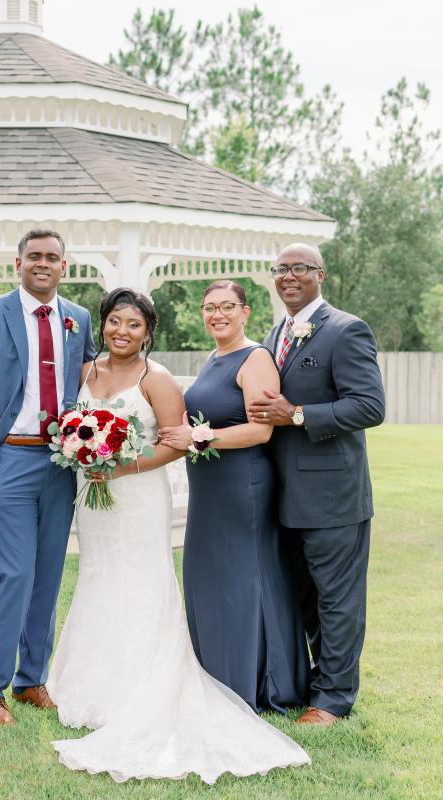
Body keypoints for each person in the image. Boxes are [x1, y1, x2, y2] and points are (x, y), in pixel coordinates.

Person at [48, 288, 310, 784]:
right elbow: (68, 424)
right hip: (94, 495)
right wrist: (85, 454)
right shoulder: (85, 372)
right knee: (99, 576)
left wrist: (127, 468)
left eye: (134, 325)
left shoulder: (159, 378)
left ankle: (140, 684)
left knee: (143, 578)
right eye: (114, 322)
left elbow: (176, 443)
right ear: (102, 324)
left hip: (138, 493)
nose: (121, 332)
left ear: (149, 333)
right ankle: (88, 681)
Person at [0, 228, 95, 725]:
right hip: (10, 460)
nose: (43, 263)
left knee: (49, 575)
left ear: (65, 265)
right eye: (33, 256)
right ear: (17, 263)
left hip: (61, 463)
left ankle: (30, 680)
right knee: (14, 574)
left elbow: (91, 385)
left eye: (52, 257)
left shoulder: (78, 319)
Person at [247, 243, 385, 727]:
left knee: (336, 600)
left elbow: (370, 406)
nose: (289, 276)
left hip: (333, 497)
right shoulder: (274, 333)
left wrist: (298, 414)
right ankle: (311, 685)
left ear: (320, 274)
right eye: (281, 269)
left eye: (299, 268)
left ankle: (332, 701)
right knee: (303, 598)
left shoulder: (346, 331)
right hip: (283, 494)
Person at [159, 280, 310, 714]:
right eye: (210, 308)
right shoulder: (213, 358)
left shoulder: (256, 357)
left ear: (245, 311)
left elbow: (260, 430)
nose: (217, 315)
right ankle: (217, 674)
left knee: (245, 579)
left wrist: (198, 438)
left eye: (227, 306)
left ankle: (258, 680)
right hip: (210, 489)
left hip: (242, 486)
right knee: (212, 578)